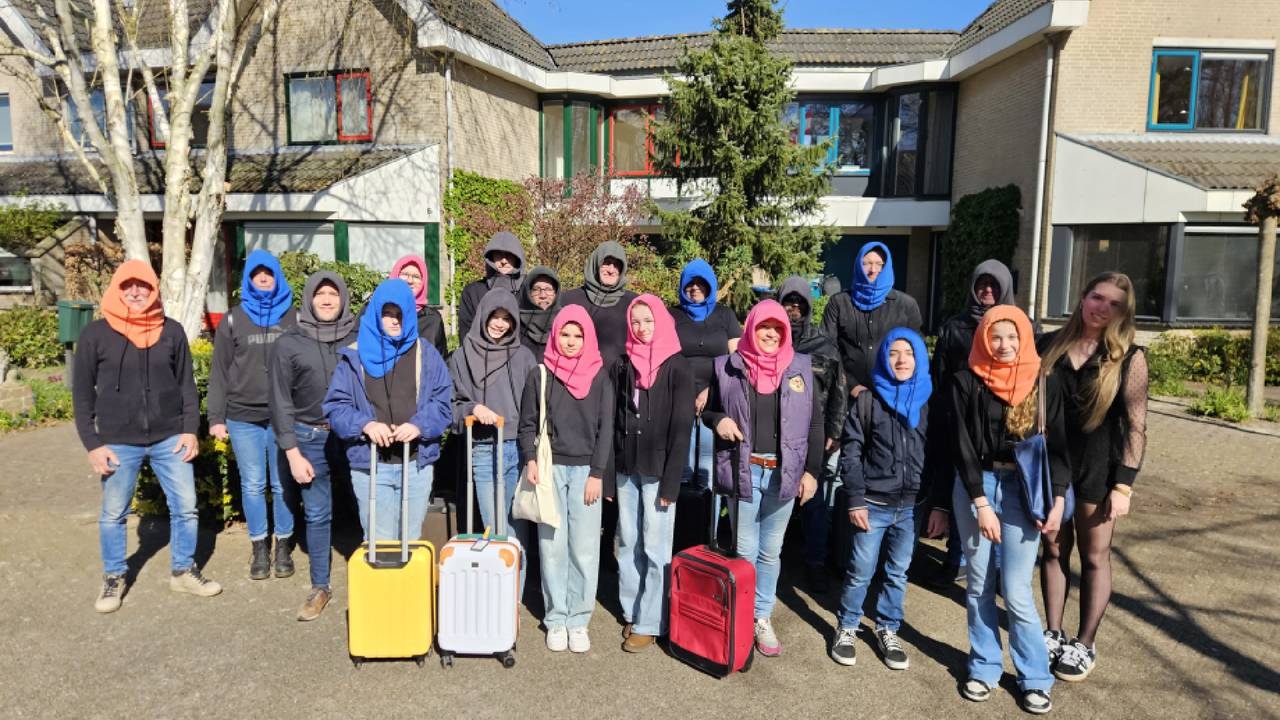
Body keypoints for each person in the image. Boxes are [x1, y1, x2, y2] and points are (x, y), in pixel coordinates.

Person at [934, 305, 1068, 715]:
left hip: (1025, 489)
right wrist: (980, 503)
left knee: (1016, 590)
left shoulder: (1045, 381)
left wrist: (1058, 499)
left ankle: (1034, 677)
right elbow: (961, 445)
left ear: (1025, 337)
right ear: (983, 339)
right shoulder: (965, 381)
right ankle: (985, 667)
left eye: (1012, 336)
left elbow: (1059, 445)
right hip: (979, 485)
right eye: (996, 337)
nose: (1005, 345)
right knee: (977, 583)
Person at [73, 260, 221, 613]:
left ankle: (183, 571)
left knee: (185, 508)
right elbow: (81, 395)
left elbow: (187, 385)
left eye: (143, 286)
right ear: (117, 289)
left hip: (170, 437)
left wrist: (189, 430)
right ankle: (114, 577)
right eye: (128, 286)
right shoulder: (96, 333)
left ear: (153, 290)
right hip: (117, 441)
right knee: (113, 514)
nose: (136, 292)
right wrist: (92, 444)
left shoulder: (170, 331)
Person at [1037, 272, 1148, 683]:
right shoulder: (1049, 345)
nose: (1102, 307)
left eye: (1114, 303)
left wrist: (1124, 484)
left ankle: (1085, 642)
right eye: (1097, 297)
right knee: (1052, 550)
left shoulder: (1130, 358)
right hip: (1052, 468)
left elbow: (1136, 426)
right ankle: (1052, 631)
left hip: (1100, 472)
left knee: (1095, 557)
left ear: (1123, 311)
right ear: (1082, 298)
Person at [702, 300, 822, 658]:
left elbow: (816, 423)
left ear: (785, 332)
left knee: (771, 552)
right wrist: (717, 420)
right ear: (751, 328)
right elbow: (710, 409)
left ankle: (761, 617)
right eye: (763, 327)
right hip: (744, 467)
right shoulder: (726, 366)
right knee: (744, 549)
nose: (770, 333)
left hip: (784, 472)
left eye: (777, 328)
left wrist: (812, 471)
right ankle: (740, 615)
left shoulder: (801, 368)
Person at [830, 328, 931, 669]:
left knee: (898, 573)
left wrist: (938, 503)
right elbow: (852, 452)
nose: (901, 360)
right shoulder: (869, 401)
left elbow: (940, 454)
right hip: (872, 503)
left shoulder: (929, 400)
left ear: (919, 358)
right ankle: (847, 625)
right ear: (884, 359)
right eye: (893, 353)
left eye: (908, 353)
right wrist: (856, 498)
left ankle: (888, 628)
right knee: (860, 570)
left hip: (912, 505)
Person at [323, 279, 451, 543]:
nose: (394, 321)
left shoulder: (425, 354)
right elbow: (336, 407)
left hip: (416, 464)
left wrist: (419, 425)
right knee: (380, 545)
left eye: (400, 314)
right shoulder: (354, 357)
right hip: (371, 466)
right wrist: (366, 425)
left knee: (410, 542)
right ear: (375, 314)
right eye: (387, 314)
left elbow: (442, 402)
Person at [517, 306, 615, 654]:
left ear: (587, 338)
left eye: (578, 335)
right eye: (565, 334)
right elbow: (527, 423)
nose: (571, 341)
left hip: (587, 471)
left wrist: (597, 473)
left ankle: (579, 619)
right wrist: (530, 460)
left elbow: (606, 430)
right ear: (555, 335)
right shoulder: (541, 374)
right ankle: (556, 618)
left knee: (584, 550)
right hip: (550, 471)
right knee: (552, 547)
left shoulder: (600, 376)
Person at [270, 271, 358, 621]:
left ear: (342, 299)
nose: (326, 300)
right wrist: (291, 452)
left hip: (354, 437)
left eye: (332, 294)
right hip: (309, 437)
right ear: (308, 298)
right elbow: (279, 401)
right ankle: (320, 586)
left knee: (366, 508)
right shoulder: (289, 342)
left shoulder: (358, 336)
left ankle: (376, 578)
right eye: (319, 294)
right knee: (319, 514)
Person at [926, 259, 1019, 588]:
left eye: (994, 285)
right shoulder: (955, 326)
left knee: (999, 501)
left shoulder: (1019, 325)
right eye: (982, 285)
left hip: (999, 425)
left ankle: (997, 571)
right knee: (961, 489)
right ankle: (956, 559)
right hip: (958, 418)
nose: (987, 290)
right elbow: (940, 374)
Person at [609, 295, 694, 652]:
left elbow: (681, 429)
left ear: (661, 322)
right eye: (637, 322)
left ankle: (651, 620)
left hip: (659, 472)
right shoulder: (623, 364)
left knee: (656, 547)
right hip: (628, 468)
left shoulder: (677, 367)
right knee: (628, 542)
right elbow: (615, 420)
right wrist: (612, 468)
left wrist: (672, 481)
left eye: (648, 321)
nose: (642, 328)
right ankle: (632, 608)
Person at [208, 249, 297, 580]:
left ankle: (284, 544)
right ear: (248, 278)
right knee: (253, 484)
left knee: (282, 482)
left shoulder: (293, 317)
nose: (263, 278)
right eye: (257, 273)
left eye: (269, 273)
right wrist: (216, 417)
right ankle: (259, 547)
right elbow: (219, 371)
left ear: (277, 277)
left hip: (282, 416)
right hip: (242, 416)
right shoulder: (234, 318)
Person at [447, 288, 537, 588]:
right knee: (496, 526)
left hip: (518, 449)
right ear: (483, 316)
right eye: (494, 317)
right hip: (483, 447)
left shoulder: (523, 356)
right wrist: (474, 407)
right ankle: (500, 593)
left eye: (506, 319)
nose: (499, 323)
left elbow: (534, 405)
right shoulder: (461, 356)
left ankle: (514, 597)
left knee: (515, 525)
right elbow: (452, 404)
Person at [778, 276, 847, 594]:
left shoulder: (823, 345)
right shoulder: (769, 339)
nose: (792, 310)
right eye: (787, 303)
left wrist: (834, 431)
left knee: (814, 503)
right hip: (776, 435)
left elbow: (838, 391)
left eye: (798, 304)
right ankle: (770, 563)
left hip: (813, 436)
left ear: (807, 307)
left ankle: (815, 563)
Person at [670, 259, 742, 488]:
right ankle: (682, 517)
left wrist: (710, 391)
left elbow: (736, 359)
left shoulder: (725, 315)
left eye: (701, 283)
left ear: (711, 285)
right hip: (678, 397)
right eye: (689, 284)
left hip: (715, 397)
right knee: (681, 463)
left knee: (707, 465)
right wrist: (683, 393)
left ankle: (706, 515)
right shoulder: (672, 314)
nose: (695, 289)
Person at [822, 241, 922, 397]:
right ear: (857, 266)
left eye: (879, 264)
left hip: (893, 395)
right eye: (866, 264)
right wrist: (851, 385)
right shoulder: (839, 303)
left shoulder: (906, 305)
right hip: (848, 396)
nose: (873, 270)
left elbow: (917, 352)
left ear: (886, 267)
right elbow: (828, 349)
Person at [560, 241, 638, 365]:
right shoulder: (568, 300)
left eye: (617, 265)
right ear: (595, 263)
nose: (611, 270)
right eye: (606, 263)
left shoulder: (633, 303)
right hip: (577, 376)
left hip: (620, 378)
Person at [458, 231, 526, 336]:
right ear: (491, 257)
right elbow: (466, 334)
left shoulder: (527, 292)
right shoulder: (473, 292)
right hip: (479, 352)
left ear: (517, 258)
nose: (504, 261)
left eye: (509, 255)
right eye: (499, 254)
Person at [390, 254, 448, 358]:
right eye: (405, 274)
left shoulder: (432, 319)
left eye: (416, 276)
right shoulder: (377, 311)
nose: (410, 281)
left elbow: (442, 362)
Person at [519, 265, 561, 359]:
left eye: (548, 289)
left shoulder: (565, 322)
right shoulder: (516, 323)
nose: (543, 295)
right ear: (529, 293)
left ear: (556, 293)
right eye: (536, 289)